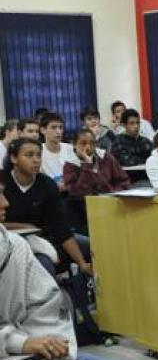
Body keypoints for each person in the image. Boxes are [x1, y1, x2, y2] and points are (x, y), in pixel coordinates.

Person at [0, 184, 158, 360]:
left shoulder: (14, 246)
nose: (5, 203)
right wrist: (23, 343)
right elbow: (26, 340)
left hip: (47, 357)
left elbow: (47, 308)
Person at [1, 138, 92, 276]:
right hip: (9, 240)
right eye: (29, 155)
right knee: (44, 264)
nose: (36, 160)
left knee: (95, 247)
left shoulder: (47, 185)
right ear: (14, 158)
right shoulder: (2, 181)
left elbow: (60, 227)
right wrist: (23, 226)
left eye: (39, 155)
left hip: (46, 236)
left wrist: (82, 264)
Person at [63, 129, 130, 196]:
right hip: (84, 201)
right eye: (83, 143)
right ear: (74, 145)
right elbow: (77, 193)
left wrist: (114, 193)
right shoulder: (70, 165)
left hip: (109, 198)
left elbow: (123, 180)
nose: (88, 147)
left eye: (92, 143)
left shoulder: (105, 157)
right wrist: (87, 164)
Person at [38, 112, 74, 188]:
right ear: (43, 130)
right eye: (53, 127)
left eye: (61, 127)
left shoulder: (71, 149)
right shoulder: (38, 151)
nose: (58, 131)